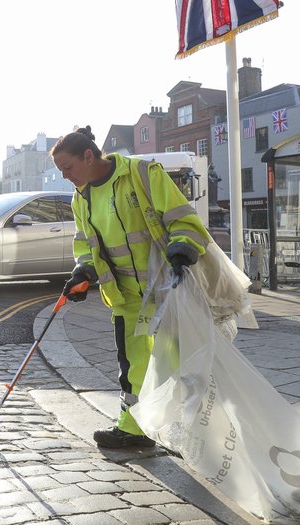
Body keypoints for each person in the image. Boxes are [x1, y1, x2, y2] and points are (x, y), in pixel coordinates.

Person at [52, 126, 209, 449]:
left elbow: (182, 219)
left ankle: (204, 429)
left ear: (89, 155)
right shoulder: (82, 198)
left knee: (185, 362)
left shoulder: (142, 174)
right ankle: (134, 428)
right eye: (61, 171)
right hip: (125, 296)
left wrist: (183, 247)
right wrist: (84, 270)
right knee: (133, 366)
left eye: (68, 167)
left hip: (168, 286)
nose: (66, 176)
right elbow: (84, 243)